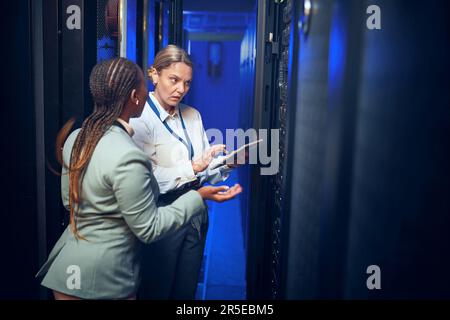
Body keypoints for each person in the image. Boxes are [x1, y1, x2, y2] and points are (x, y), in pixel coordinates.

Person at [35, 57, 242, 300]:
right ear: (135, 96)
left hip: (67, 271)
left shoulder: (76, 138)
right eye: (145, 84)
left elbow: (70, 203)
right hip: (106, 277)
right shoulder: (129, 155)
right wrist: (198, 196)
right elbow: (149, 228)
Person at [130, 45, 241, 299]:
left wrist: (227, 163)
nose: (181, 89)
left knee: (185, 291)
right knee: (157, 289)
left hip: (195, 214)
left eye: (187, 83)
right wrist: (192, 167)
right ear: (154, 75)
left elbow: (202, 170)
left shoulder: (192, 116)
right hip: (161, 214)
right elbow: (147, 180)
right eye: (174, 80)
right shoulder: (139, 118)